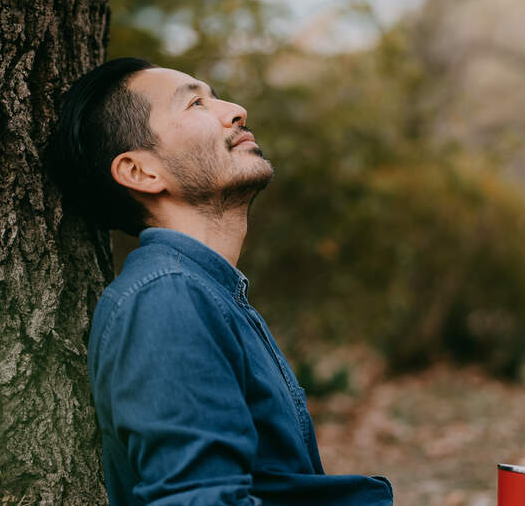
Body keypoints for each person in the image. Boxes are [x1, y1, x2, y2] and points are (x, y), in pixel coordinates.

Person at [47, 58, 395, 505]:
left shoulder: (205, 291)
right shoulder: (167, 299)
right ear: (141, 172)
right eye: (195, 104)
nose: (235, 111)